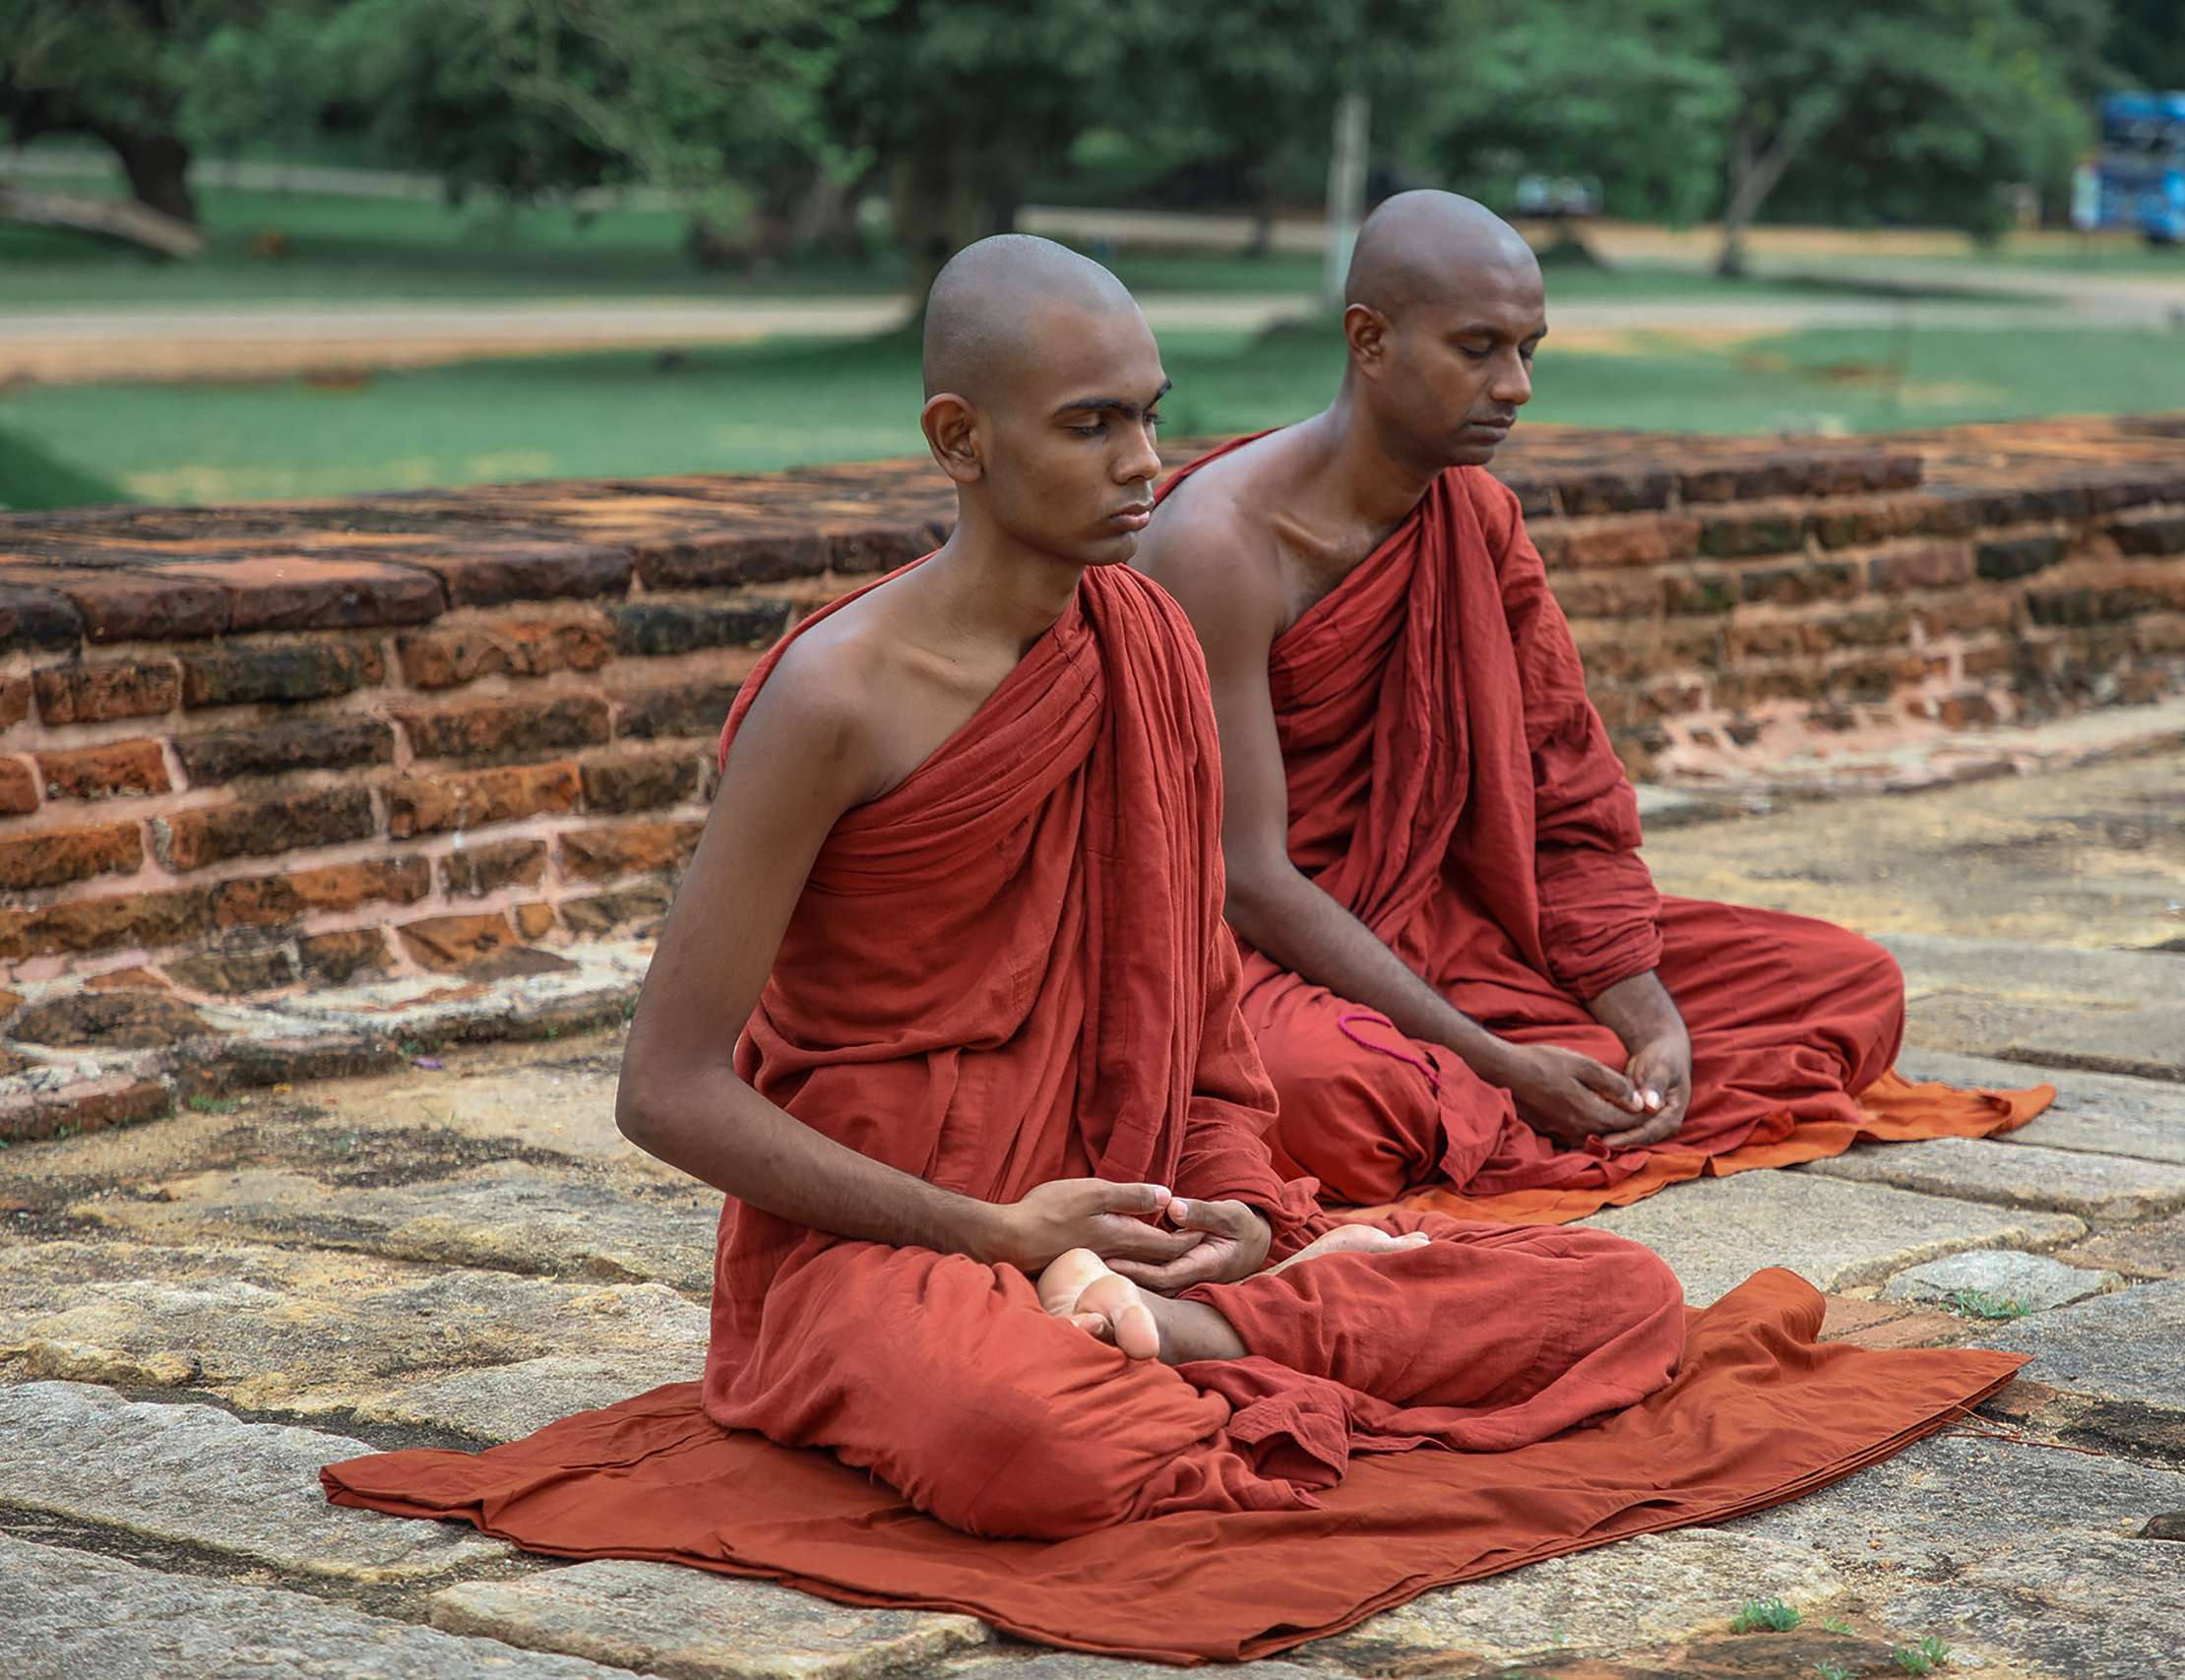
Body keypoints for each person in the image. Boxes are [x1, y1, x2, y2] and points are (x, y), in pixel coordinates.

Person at [606, 233, 1690, 1542]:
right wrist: (998, 1230)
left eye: (1151, 418)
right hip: (892, 1235)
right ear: (961, 438)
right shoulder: (836, 696)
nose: (1143, 465)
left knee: (1618, 1291)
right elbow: (668, 1086)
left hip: (1132, 1212)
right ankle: (1144, 1335)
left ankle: (1171, 1328)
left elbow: (1199, 1010)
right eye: (1090, 424)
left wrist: (1234, 1205)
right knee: (1036, 1441)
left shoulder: (1144, 637)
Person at [1136, 191, 2039, 1215]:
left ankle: (1547, 1082)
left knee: (1848, 982)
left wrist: (1650, 1017)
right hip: (1265, 952)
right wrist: (1496, 1056)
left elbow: (1565, 794)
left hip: (1459, 922)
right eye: (1478, 349)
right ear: (1369, 340)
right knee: (1335, 1100)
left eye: (1529, 350)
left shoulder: (1474, 515)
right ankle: (1507, 1085)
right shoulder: (1222, 545)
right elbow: (1242, 877)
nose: (1514, 386)